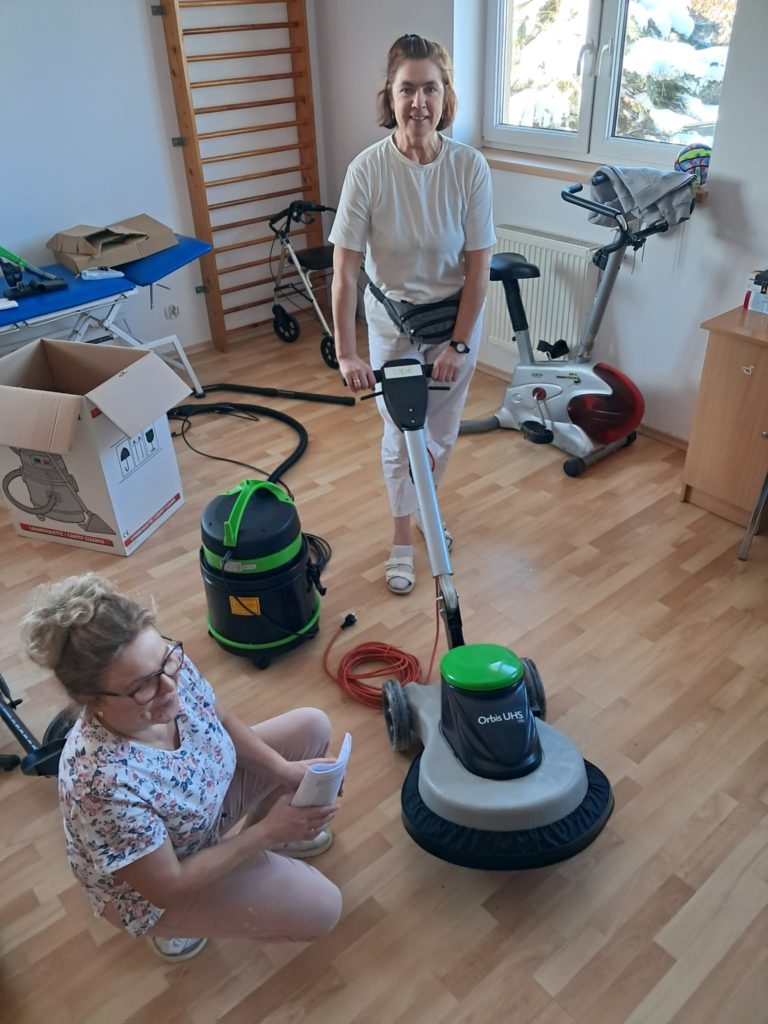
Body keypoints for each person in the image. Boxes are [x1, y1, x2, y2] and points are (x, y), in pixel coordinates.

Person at [19, 573, 342, 963]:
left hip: (199, 807)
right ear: (90, 699)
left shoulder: (165, 671)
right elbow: (167, 886)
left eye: (166, 661)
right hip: (156, 883)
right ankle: (179, 922)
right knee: (323, 908)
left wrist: (283, 771)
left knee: (313, 725)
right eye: (142, 686)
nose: (171, 688)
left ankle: (249, 850)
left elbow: (221, 717)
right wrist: (269, 832)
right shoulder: (99, 783)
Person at [330, 33, 496, 596]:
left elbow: (478, 269)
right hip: (393, 325)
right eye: (407, 89)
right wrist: (347, 352)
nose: (418, 102)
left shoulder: (469, 168)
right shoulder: (367, 170)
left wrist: (460, 344)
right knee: (403, 435)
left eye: (430, 89)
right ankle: (402, 536)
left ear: (445, 96)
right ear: (390, 95)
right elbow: (346, 271)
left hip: (454, 322)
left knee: (439, 435)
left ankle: (428, 508)